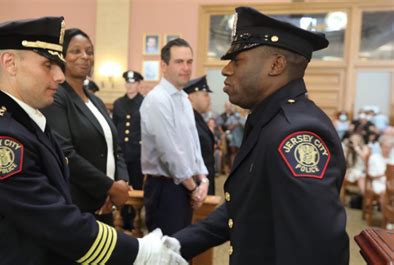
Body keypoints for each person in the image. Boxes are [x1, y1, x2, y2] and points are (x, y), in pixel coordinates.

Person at [0, 16, 187, 265]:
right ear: (10, 63)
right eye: (48, 65)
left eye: (58, 64)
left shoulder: (28, 122)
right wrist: (140, 252)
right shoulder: (0, 139)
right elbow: (53, 221)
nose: (59, 76)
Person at [164, 7, 350, 265]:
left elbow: (314, 248)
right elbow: (249, 204)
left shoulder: (296, 133)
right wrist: (179, 243)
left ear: (276, 65)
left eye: (237, 60)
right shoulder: (269, 121)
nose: (226, 70)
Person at [42, 28, 130, 226]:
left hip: (105, 202)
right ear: (61, 56)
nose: (85, 57)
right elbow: (66, 154)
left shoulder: (96, 100)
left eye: (89, 52)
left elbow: (114, 148)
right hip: (77, 203)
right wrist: (110, 188)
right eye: (76, 51)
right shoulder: (57, 97)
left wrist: (122, 182)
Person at [140, 38, 209, 235]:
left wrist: (203, 179)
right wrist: (193, 188)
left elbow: (193, 145)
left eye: (189, 62)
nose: (186, 68)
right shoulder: (157, 99)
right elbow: (169, 151)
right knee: (167, 254)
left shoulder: (183, 99)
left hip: (184, 184)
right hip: (165, 188)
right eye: (179, 62)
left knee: (181, 252)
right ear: (164, 65)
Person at [113, 70, 145, 230]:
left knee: (137, 187)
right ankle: (123, 217)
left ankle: (134, 220)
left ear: (139, 85)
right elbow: (115, 127)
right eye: (127, 82)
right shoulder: (119, 103)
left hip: (138, 154)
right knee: (122, 185)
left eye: (133, 83)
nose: (129, 86)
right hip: (122, 154)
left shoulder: (145, 102)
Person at [183, 75, 216, 195]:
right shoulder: (187, 120)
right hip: (195, 188)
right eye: (205, 95)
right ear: (192, 96)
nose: (209, 99)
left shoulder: (197, 118)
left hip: (203, 183)